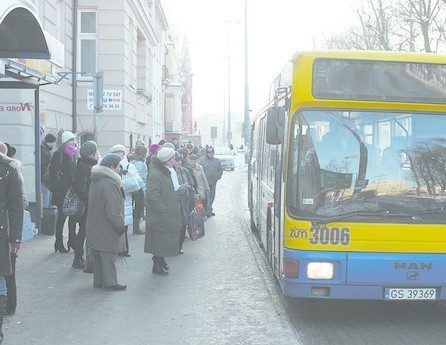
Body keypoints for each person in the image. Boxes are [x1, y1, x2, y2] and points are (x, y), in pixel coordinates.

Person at [85, 154, 126, 291]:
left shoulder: (97, 180)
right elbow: (113, 208)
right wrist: (119, 225)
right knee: (108, 254)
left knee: (98, 254)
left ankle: (99, 280)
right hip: (106, 225)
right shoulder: (109, 183)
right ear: (111, 167)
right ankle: (110, 282)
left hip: (95, 223)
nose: (120, 168)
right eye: (118, 165)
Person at [144, 147, 182, 276]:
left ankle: (160, 261)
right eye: (172, 158)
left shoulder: (168, 171)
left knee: (163, 241)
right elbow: (152, 194)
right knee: (159, 241)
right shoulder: (155, 173)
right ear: (166, 160)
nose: (174, 160)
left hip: (167, 213)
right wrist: (162, 210)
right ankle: (157, 265)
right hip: (160, 214)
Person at [0, 141, 24, 344]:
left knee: (5, 274)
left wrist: (15, 237)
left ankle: (8, 307)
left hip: (3, 233)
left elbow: (18, 205)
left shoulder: (9, 171)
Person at [109, 144, 144, 256]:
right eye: (116, 152)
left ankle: (124, 249)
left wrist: (144, 190)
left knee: (124, 225)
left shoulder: (129, 165)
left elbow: (138, 179)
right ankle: (114, 248)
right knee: (114, 223)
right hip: (113, 197)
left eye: (121, 152)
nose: (119, 154)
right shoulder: (108, 165)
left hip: (126, 197)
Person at [46, 131, 78, 253]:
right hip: (62, 191)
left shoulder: (73, 154)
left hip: (72, 191)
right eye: (71, 140)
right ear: (65, 142)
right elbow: (54, 174)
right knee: (62, 217)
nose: (73, 142)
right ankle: (58, 242)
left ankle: (72, 241)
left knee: (73, 216)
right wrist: (57, 190)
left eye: (74, 140)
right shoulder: (58, 155)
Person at [71, 141, 99, 269]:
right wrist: (89, 198)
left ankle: (83, 257)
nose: (98, 154)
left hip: (89, 204)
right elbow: (79, 187)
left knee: (85, 231)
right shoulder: (83, 166)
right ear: (92, 154)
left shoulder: (90, 165)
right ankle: (78, 258)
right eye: (96, 152)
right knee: (83, 231)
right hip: (85, 206)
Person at [174, 152, 195, 254]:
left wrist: (192, 201)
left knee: (183, 225)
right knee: (176, 226)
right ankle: (173, 246)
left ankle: (179, 247)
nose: (179, 162)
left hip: (185, 202)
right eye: (177, 160)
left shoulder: (185, 171)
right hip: (175, 203)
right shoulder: (170, 173)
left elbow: (191, 185)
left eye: (180, 160)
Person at [128, 145, 148, 234]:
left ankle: (130, 224)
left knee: (130, 206)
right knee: (138, 207)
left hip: (130, 186)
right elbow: (141, 177)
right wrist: (144, 189)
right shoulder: (140, 163)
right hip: (138, 188)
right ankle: (136, 228)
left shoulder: (131, 161)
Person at [198, 146, 223, 217]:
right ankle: (208, 210)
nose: (211, 154)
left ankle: (209, 209)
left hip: (213, 182)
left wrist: (218, 177)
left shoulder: (217, 161)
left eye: (212, 153)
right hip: (205, 183)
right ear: (207, 153)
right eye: (209, 153)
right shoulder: (201, 160)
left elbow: (220, 170)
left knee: (212, 196)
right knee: (207, 197)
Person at [40, 133, 57, 207]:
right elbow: (45, 167)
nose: (54, 144)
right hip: (46, 180)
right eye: (54, 142)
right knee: (46, 202)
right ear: (51, 142)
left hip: (46, 180)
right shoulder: (45, 151)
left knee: (48, 201)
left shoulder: (45, 150)